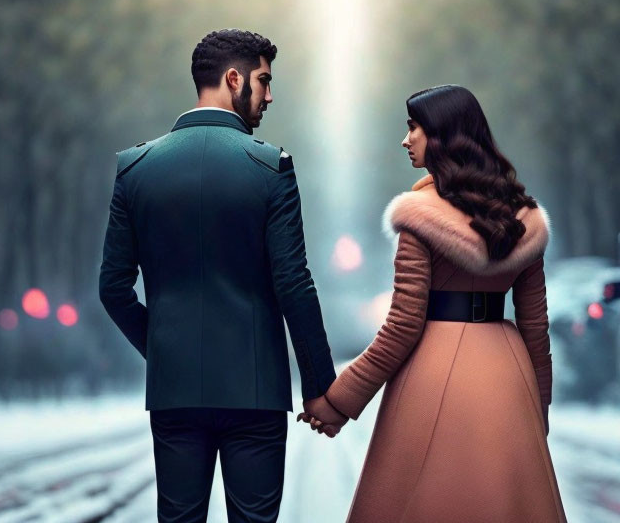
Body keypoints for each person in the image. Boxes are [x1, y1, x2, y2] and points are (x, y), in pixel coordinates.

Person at [98, 29, 341, 523]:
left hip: (175, 390)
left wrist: (166, 349)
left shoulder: (135, 169)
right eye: (264, 81)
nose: (269, 96)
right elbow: (294, 283)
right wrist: (320, 387)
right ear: (233, 79)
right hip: (255, 391)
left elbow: (112, 288)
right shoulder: (271, 169)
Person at [300, 85, 568, 522]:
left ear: (442, 135)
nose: (406, 140)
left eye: (413, 128)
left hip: (433, 370)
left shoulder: (420, 216)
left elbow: (403, 325)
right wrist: (538, 411)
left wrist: (338, 401)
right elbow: (536, 327)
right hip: (507, 373)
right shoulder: (523, 218)